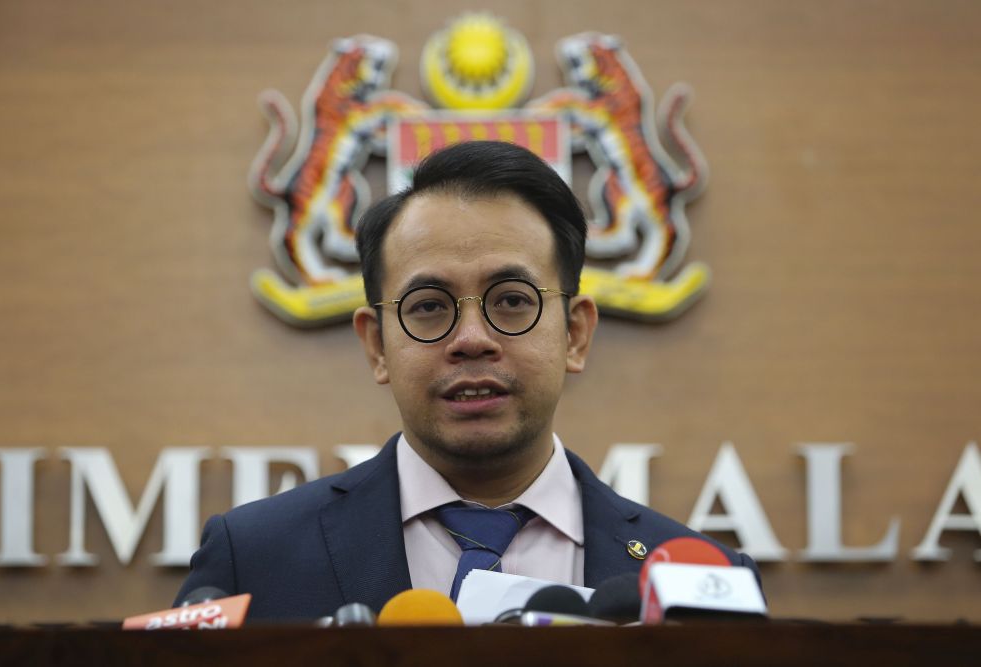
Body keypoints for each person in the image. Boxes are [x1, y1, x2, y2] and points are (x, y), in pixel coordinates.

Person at [175, 141, 759, 620]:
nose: (472, 338)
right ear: (377, 344)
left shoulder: (702, 580)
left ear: (576, 333)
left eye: (511, 300)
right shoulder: (252, 557)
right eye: (429, 306)